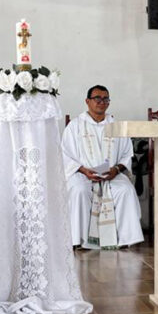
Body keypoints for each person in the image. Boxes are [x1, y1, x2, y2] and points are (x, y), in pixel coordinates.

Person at [62, 85, 144, 249]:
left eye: (105, 99)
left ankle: (125, 239)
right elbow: (65, 154)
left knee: (125, 190)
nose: (102, 102)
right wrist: (84, 170)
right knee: (79, 190)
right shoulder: (75, 125)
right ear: (87, 101)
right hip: (83, 173)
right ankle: (79, 240)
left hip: (111, 174)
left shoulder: (116, 126)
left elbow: (127, 154)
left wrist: (116, 169)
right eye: (97, 98)